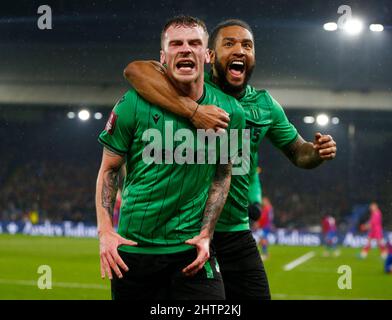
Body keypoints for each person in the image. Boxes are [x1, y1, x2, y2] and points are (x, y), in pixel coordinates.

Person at [123, 19, 337, 300]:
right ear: (209, 56)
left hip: (235, 230)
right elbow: (136, 71)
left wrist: (317, 152)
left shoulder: (265, 105)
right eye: (229, 44)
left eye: (247, 45)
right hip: (185, 232)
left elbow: (299, 152)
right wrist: (194, 111)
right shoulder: (187, 87)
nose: (240, 50)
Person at [96, 15, 246, 300]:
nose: (186, 49)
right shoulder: (131, 104)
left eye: (194, 43)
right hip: (133, 253)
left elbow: (223, 174)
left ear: (207, 55)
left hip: (192, 255)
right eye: (176, 44)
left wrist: (206, 234)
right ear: (162, 57)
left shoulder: (232, 112)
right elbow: (108, 170)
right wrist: (105, 231)